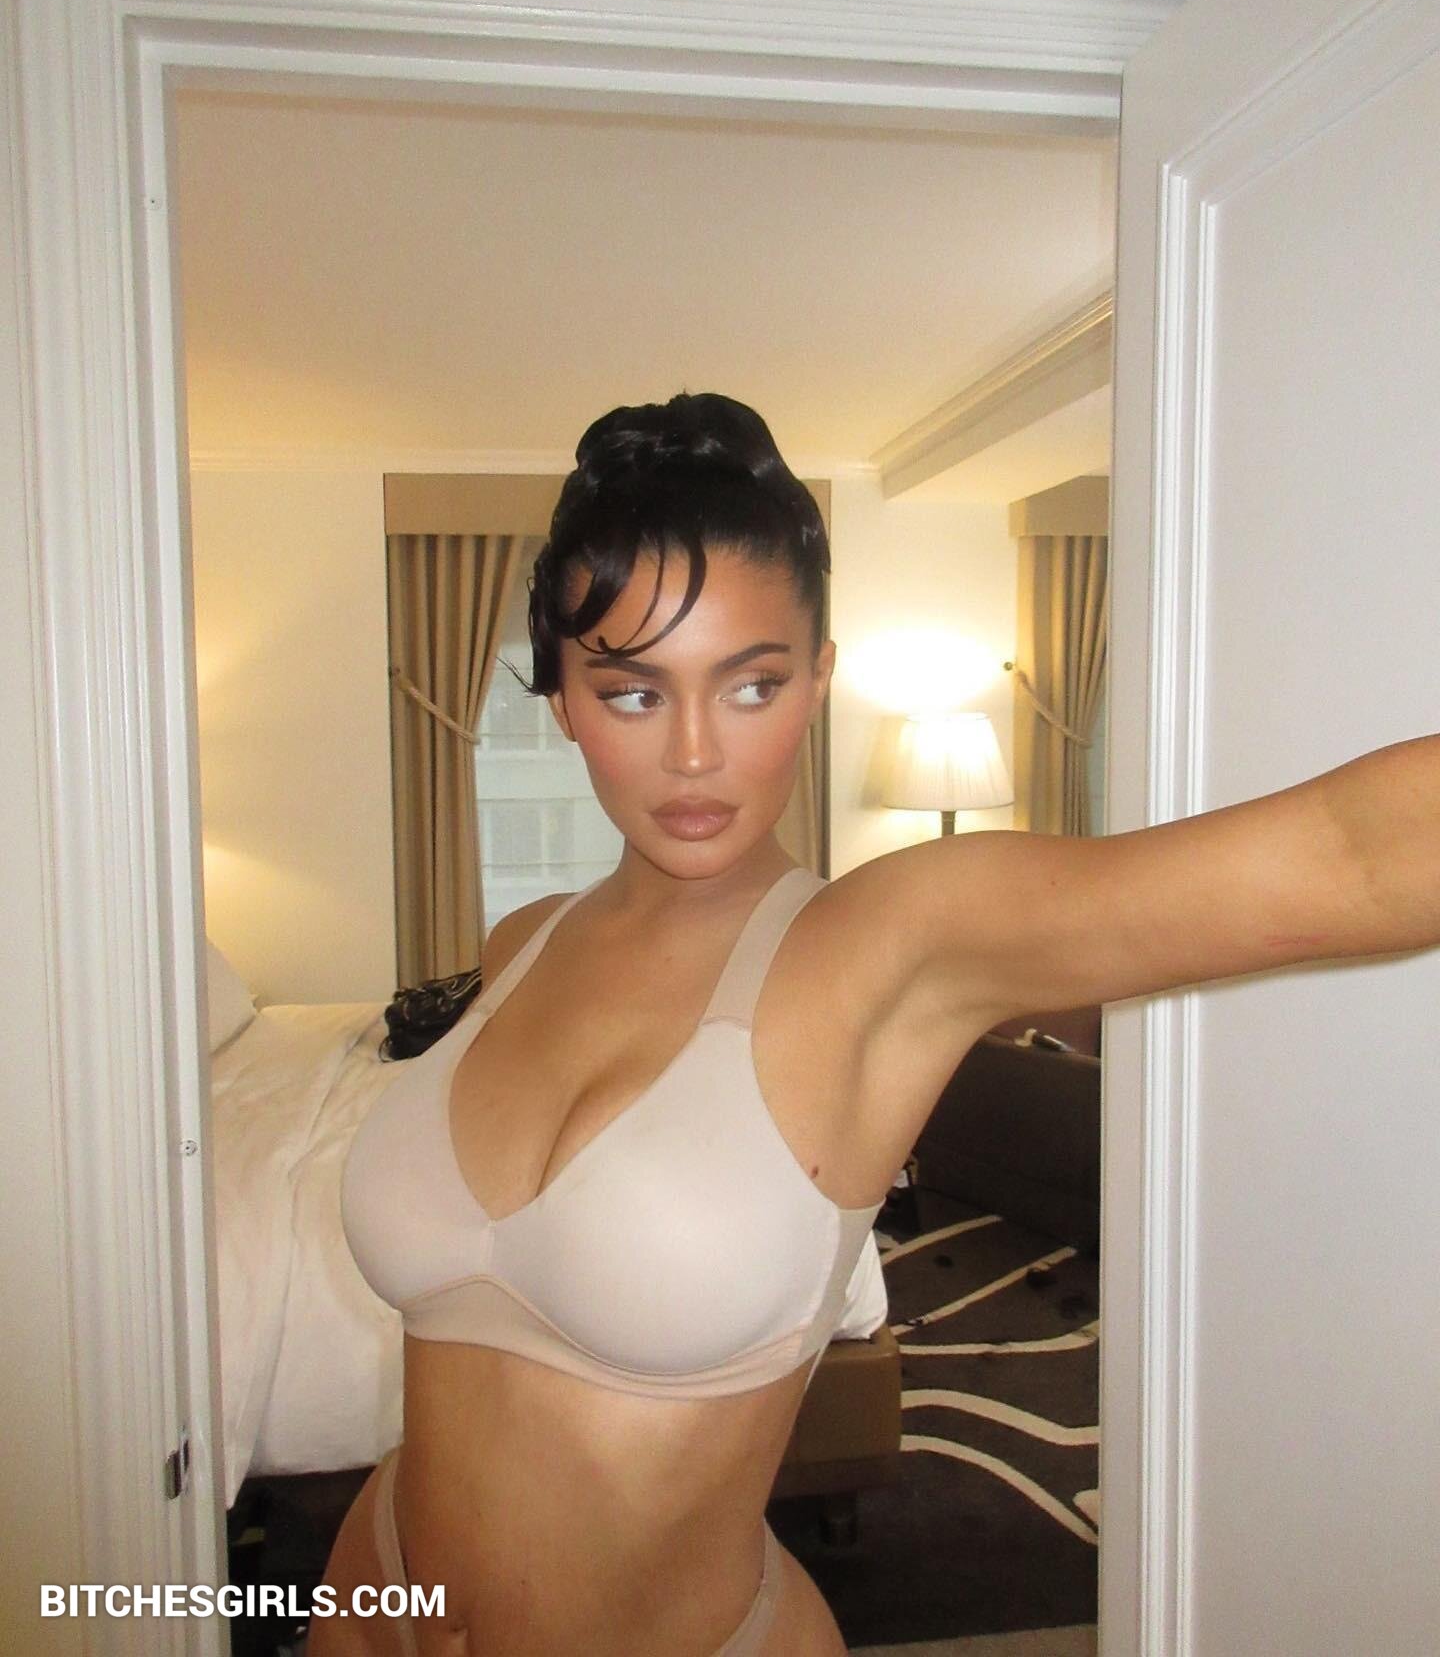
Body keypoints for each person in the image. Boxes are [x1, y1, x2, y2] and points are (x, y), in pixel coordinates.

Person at [313, 392, 1439, 1656]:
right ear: (564, 701)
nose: (695, 754)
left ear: (819, 681)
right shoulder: (520, 946)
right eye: (633, 694)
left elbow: (1360, 855)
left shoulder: (887, 945)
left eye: (751, 684)